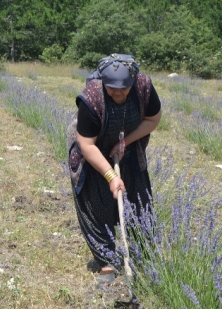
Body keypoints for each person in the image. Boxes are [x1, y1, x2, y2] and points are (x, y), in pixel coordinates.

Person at [67, 53, 162, 284]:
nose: (118, 93)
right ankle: (107, 263)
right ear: (103, 82)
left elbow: (153, 119)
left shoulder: (143, 87)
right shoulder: (92, 97)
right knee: (95, 203)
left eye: (123, 88)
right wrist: (110, 175)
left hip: (125, 142)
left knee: (139, 200)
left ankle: (142, 258)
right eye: (112, 88)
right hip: (90, 146)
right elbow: (86, 144)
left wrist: (125, 142)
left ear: (132, 81)